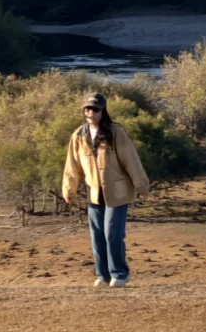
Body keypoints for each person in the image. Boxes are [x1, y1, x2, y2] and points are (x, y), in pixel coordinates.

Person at [62, 91, 150, 287]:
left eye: (95, 109)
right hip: (94, 194)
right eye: (88, 109)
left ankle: (120, 274)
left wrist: (141, 185)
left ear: (103, 111)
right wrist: (69, 190)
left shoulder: (116, 132)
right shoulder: (78, 135)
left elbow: (131, 160)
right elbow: (72, 165)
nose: (91, 112)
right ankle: (103, 276)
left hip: (117, 193)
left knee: (113, 234)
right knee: (97, 236)